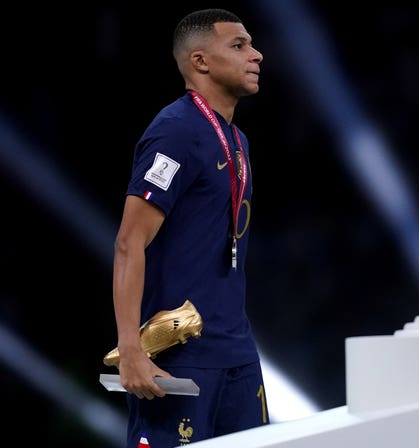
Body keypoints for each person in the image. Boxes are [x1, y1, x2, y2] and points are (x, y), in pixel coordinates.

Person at [109, 8, 268, 447]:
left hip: (237, 352)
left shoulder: (237, 140)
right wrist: (131, 352)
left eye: (252, 44)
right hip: (181, 357)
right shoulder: (175, 132)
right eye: (238, 45)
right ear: (200, 61)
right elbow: (129, 242)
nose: (255, 55)